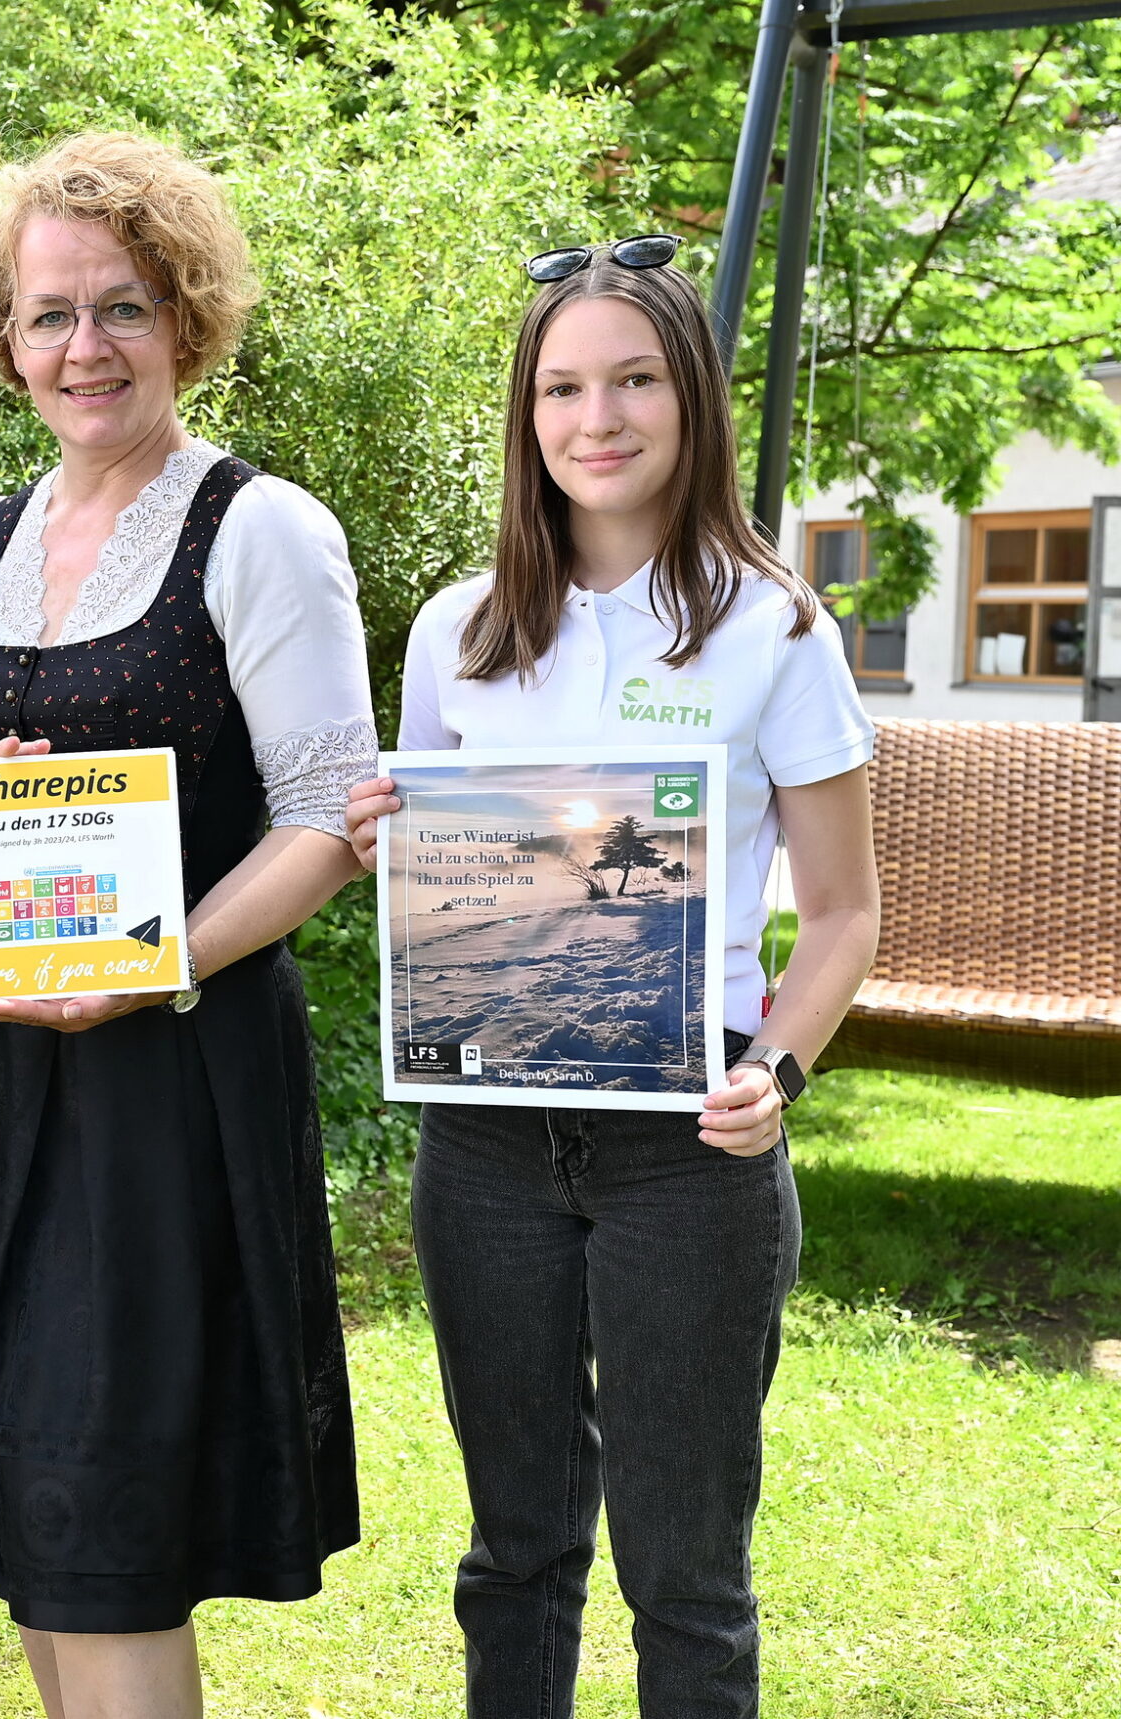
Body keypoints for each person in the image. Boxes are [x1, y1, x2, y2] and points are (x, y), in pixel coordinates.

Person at [0, 132, 373, 1719]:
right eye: (48, 313)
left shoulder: (262, 528)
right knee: (30, 1498)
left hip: (164, 1086)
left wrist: (156, 971)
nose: (83, 346)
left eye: (121, 308)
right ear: (3, 335)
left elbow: (332, 819)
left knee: (111, 1518)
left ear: (185, 320)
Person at [343, 235, 881, 1719]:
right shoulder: (458, 628)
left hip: (687, 1149)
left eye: (636, 380)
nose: (600, 420)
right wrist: (391, 836)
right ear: (527, 418)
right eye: (565, 388)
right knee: (515, 1552)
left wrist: (775, 1074)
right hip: (487, 1144)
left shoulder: (776, 627)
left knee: (684, 1571)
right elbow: (446, 897)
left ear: (691, 398)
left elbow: (841, 914)